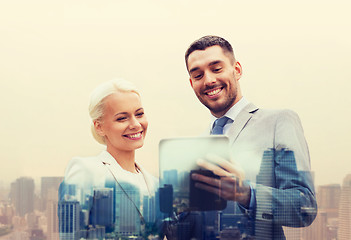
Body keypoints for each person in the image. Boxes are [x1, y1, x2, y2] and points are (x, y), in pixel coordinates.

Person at [185, 36, 317, 239]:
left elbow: (305, 207)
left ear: (236, 70)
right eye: (198, 75)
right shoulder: (198, 144)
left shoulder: (279, 122)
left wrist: (245, 194)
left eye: (216, 69)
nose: (209, 80)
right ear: (191, 83)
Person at [58, 79, 159, 239]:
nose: (135, 124)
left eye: (139, 114)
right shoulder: (86, 172)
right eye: (122, 118)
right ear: (99, 126)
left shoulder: (155, 184)